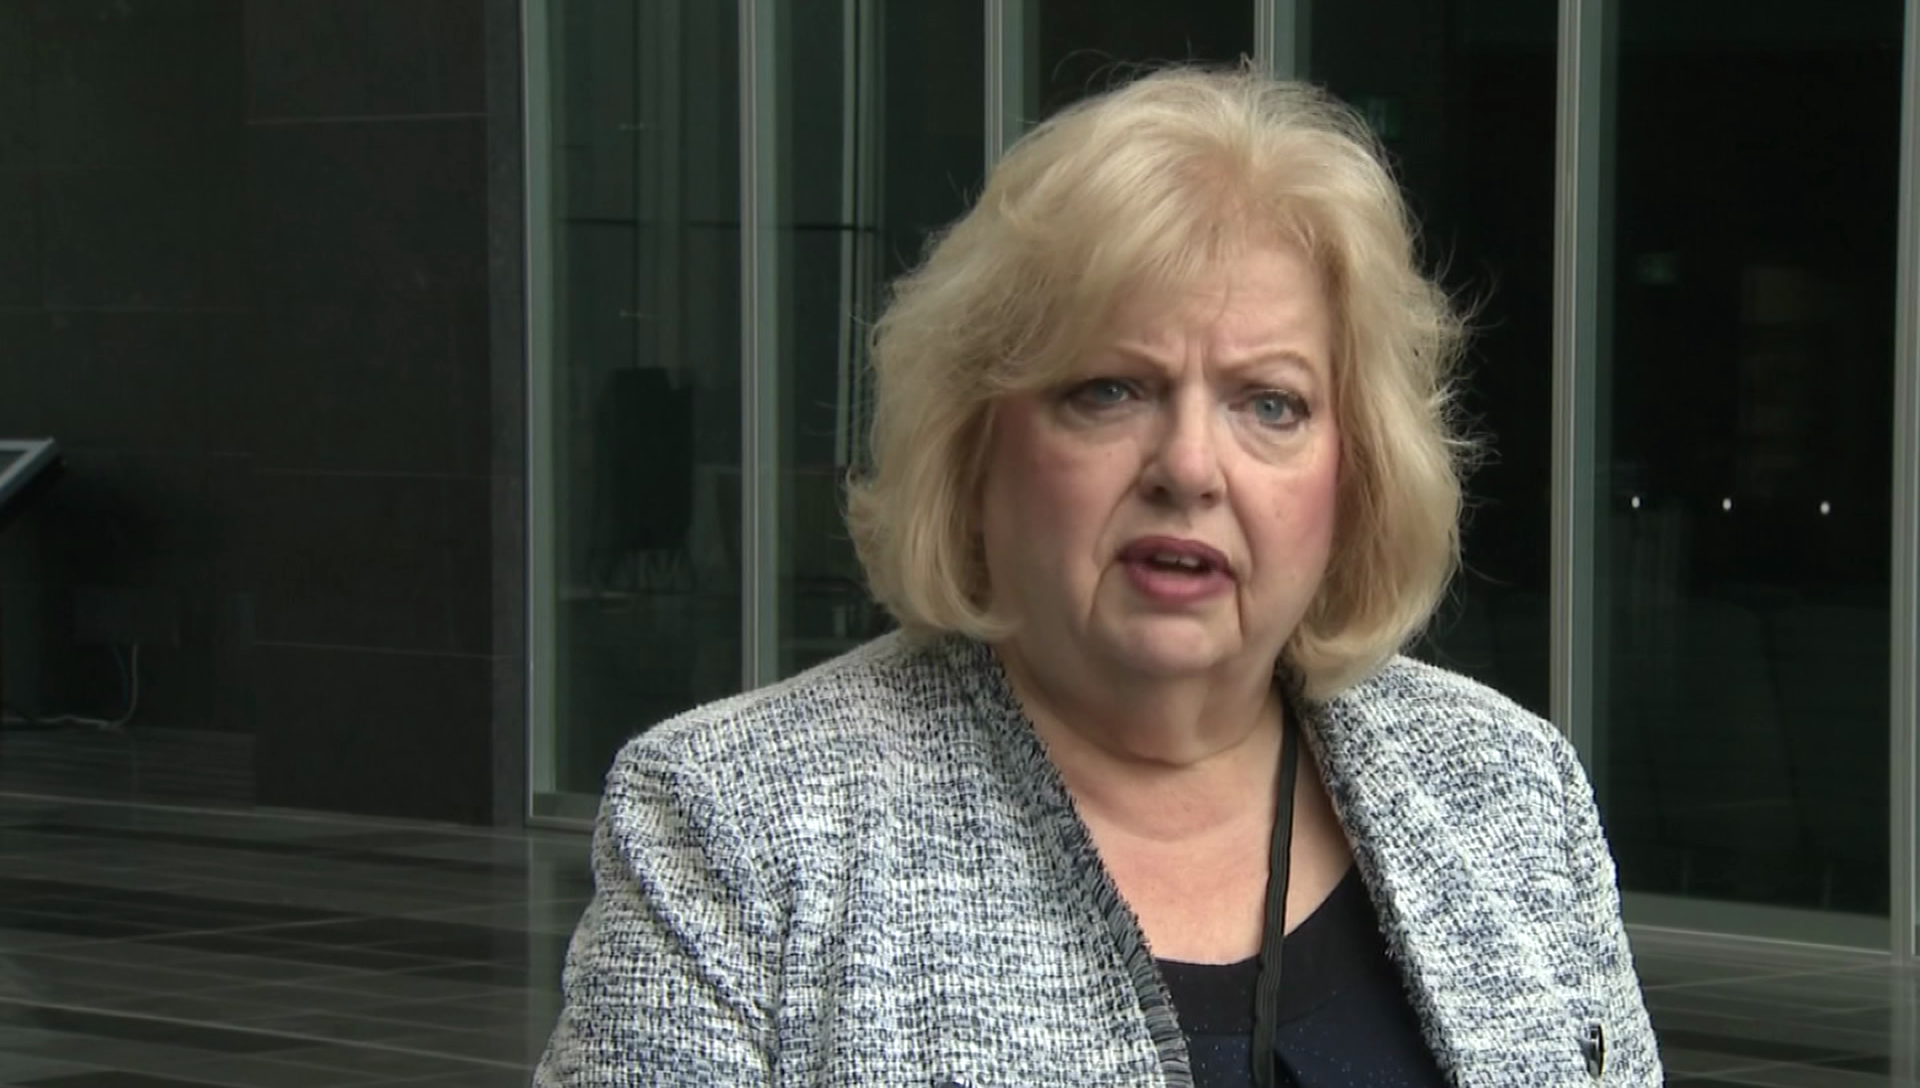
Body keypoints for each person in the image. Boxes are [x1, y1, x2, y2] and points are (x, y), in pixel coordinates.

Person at [535, 67, 1659, 1087]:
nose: (1187, 467)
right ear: (980, 449)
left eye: (1270, 403)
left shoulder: (1512, 789)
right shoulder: (734, 824)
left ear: (1354, 473)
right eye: (1110, 390)